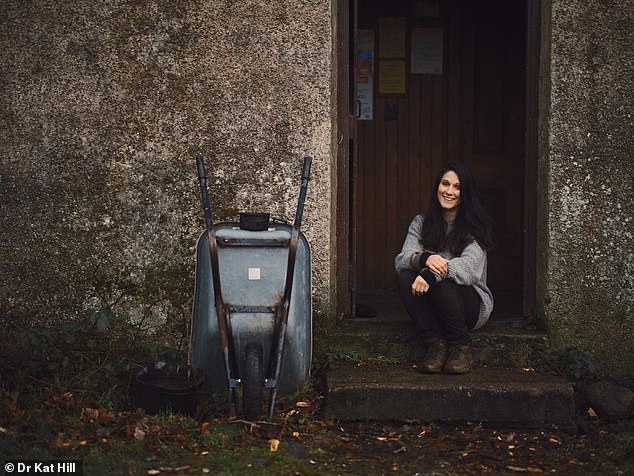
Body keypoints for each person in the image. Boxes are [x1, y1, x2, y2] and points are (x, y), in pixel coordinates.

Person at [394, 162, 493, 375]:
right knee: (405, 277)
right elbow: (402, 259)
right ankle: (435, 344)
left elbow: (468, 268)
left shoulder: (475, 228)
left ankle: (461, 347)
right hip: (434, 302)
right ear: (437, 187)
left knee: (443, 283)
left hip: (470, 305)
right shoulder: (421, 222)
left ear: (465, 193)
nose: (449, 191)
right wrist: (424, 259)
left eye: (457, 187)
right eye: (445, 184)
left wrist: (431, 275)